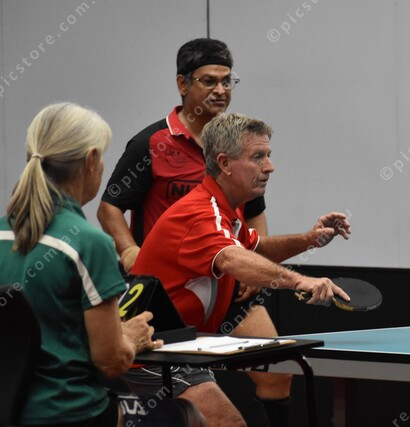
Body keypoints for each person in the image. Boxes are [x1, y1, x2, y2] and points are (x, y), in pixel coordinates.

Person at [96, 39, 291, 425]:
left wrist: (250, 265)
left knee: (278, 372)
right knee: (184, 392)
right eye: (209, 81)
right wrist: (130, 252)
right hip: (169, 291)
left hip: (226, 282)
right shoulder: (152, 143)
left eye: (227, 81)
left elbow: (254, 212)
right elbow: (109, 208)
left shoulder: (239, 144)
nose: (221, 90)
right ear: (183, 84)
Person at [126, 113, 351, 426]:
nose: (270, 167)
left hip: (182, 346)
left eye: (268, 155)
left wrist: (309, 239)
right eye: (258, 157)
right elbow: (233, 259)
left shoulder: (224, 212)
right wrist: (301, 281)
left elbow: (255, 248)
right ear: (225, 163)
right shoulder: (199, 213)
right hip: (151, 351)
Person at [0, 102, 204, 427]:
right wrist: (130, 338)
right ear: (92, 159)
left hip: (11, 412)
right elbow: (111, 362)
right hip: (72, 413)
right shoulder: (89, 243)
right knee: (189, 416)